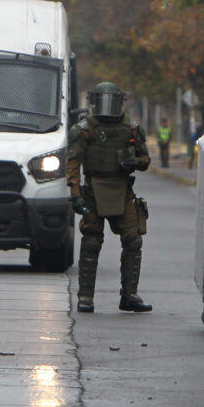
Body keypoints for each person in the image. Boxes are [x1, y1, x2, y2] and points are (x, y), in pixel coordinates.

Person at [67, 81, 152, 313]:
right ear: (94, 102)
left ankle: (129, 295)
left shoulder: (131, 128)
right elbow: (73, 163)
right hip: (94, 190)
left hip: (122, 189)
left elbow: (145, 159)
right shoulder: (84, 129)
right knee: (92, 240)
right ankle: (85, 296)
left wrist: (135, 162)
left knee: (134, 240)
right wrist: (75, 194)